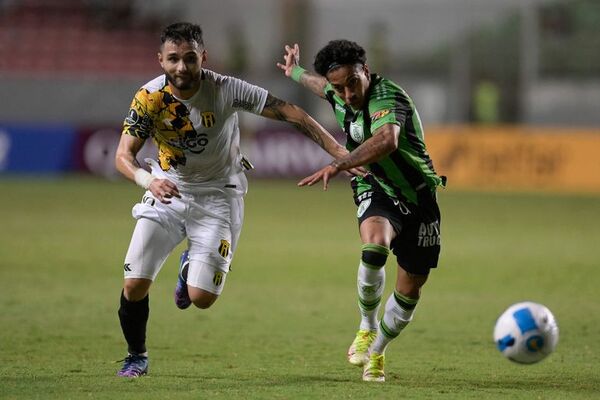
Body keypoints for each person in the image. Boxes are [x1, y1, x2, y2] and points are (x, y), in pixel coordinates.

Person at [114, 22, 353, 378]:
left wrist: (342, 155)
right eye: (174, 59)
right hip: (168, 191)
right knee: (134, 284)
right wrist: (149, 181)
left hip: (219, 197)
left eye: (190, 58)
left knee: (201, 298)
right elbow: (122, 156)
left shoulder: (225, 89)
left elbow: (292, 113)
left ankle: (189, 267)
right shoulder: (148, 98)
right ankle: (137, 356)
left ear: (203, 57)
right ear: (160, 60)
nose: (182, 67)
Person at [277, 40, 445, 382]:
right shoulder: (338, 90)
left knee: (410, 289)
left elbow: (387, 141)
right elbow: (320, 84)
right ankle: (367, 327)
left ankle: (377, 351)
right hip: (376, 184)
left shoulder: (387, 96)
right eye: (339, 87)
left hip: (419, 196)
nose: (347, 93)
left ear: (365, 71)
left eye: (353, 82)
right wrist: (294, 71)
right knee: (374, 245)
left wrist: (339, 164)